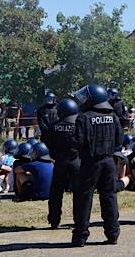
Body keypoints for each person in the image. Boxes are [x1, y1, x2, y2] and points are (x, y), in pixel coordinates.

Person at [70, 83, 121, 247]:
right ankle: (113, 234)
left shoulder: (84, 117)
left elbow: (77, 142)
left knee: (84, 198)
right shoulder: (113, 116)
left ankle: (80, 237)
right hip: (108, 161)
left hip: (90, 163)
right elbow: (119, 140)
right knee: (109, 197)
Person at [45, 98, 80, 229]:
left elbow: (48, 143)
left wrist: (56, 155)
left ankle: (54, 220)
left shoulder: (53, 127)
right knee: (79, 192)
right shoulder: (78, 125)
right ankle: (79, 219)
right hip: (76, 161)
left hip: (60, 161)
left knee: (56, 192)